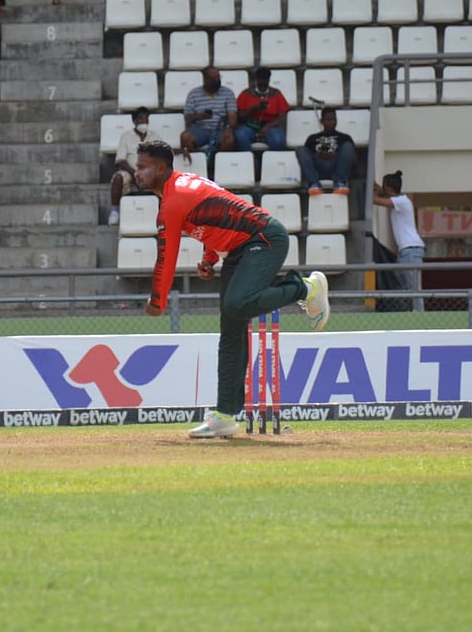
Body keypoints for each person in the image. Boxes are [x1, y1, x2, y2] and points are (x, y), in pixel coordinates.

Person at [133, 140, 330, 438]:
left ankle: (304, 288)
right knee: (231, 331)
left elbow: (167, 256)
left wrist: (158, 300)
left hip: (263, 238)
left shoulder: (174, 200)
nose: (136, 173)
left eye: (142, 167)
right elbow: (214, 217)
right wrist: (209, 257)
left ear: (161, 168)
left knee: (238, 303)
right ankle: (225, 415)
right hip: (238, 249)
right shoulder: (179, 190)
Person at [372, 170, 425, 311]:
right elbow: (384, 197)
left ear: (388, 187)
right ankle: (412, 312)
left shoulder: (402, 201)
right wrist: (379, 190)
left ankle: (419, 315)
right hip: (407, 250)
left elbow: (375, 200)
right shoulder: (401, 201)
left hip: (411, 249)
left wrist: (375, 192)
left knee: (413, 287)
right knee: (405, 286)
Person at [108, 107, 166, 225]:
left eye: (146, 120)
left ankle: (163, 214)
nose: (143, 122)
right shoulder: (126, 136)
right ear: (134, 121)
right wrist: (134, 173)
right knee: (119, 178)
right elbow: (120, 160)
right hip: (130, 172)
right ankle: (115, 211)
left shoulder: (154, 136)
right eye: (140, 119)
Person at [179, 65, 237, 161]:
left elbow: (232, 116)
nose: (217, 80)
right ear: (205, 79)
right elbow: (187, 118)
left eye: (218, 77)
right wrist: (199, 116)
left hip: (220, 129)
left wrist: (229, 128)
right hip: (200, 129)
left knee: (229, 139)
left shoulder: (228, 93)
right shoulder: (193, 94)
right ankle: (195, 167)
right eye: (213, 78)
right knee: (185, 137)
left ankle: (220, 167)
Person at [297, 107, 355, 196]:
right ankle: (314, 184)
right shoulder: (312, 138)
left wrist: (335, 155)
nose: (331, 122)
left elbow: (353, 159)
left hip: (336, 166)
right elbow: (307, 159)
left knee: (348, 146)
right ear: (322, 121)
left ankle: (340, 183)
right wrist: (319, 155)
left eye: (333, 120)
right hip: (318, 167)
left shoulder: (344, 138)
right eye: (328, 120)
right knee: (301, 150)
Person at [234, 67, 289, 152]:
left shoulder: (276, 93)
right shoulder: (246, 93)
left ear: (269, 80)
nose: (263, 84)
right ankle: (250, 161)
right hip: (250, 125)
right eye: (260, 81)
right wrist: (253, 109)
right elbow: (240, 117)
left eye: (265, 81)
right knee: (240, 136)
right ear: (256, 80)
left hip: (270, 126)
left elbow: (282, 117)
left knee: (278, 140)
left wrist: (267, 127)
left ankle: (270, 163)